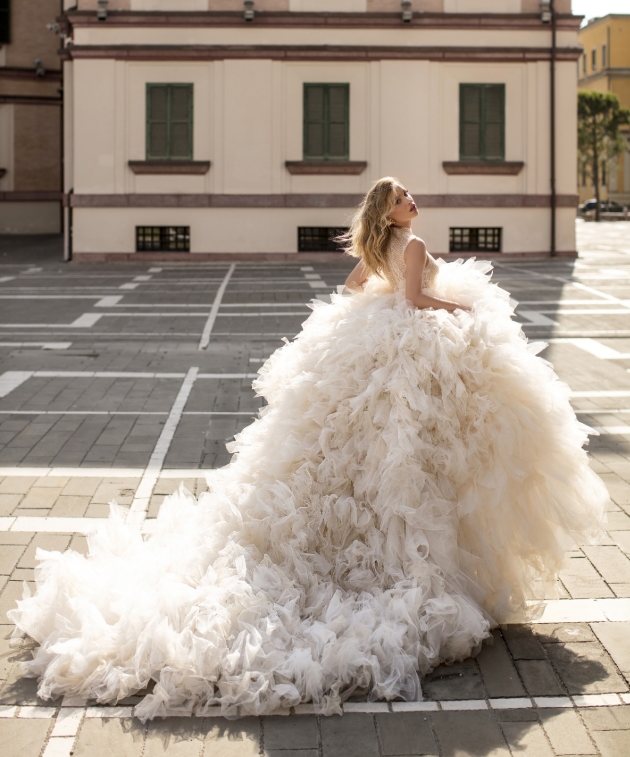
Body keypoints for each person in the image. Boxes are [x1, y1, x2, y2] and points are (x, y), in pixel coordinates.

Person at [10, 176, 608, 720]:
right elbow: (414, 301)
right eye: (404, 199)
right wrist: (458, 306)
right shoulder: (417, 245)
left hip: (377, 343)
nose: (413, 203)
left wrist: (368, 326)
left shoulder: (378, 246)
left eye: (410, 198)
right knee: (414, 450)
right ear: (391, 210)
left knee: (362, 447)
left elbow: (354, 287)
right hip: (410, 343)